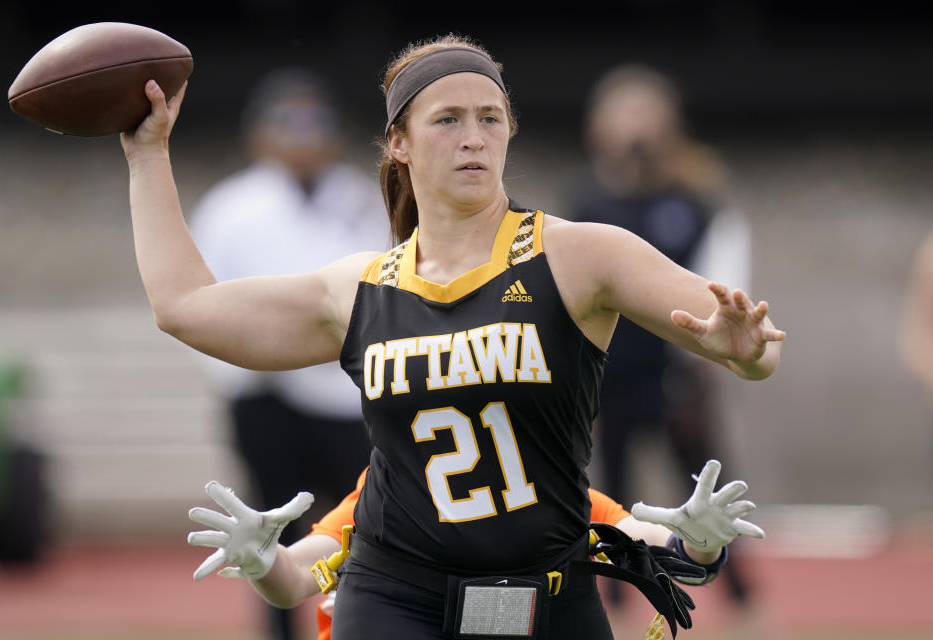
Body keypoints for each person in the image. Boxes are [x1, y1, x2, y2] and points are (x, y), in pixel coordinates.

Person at [119, 34, 783, 639]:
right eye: (448, 119)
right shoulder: (359, 289)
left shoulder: (581, 256)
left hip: (549, 594)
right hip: (393, 596)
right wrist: (148, 154)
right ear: (399, 142)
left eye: (489, 118)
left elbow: (755, 347)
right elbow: (184, 307)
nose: (473, 137)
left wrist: (749, 351)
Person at [185, 68, 388, 640]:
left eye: (313, 122)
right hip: (265, 395)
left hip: (348, 396)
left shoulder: (361, 197)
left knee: (365, 524)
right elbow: (207, 305)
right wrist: (245, 372)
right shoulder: (230, 208)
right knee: (269, 530)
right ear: (259, 134)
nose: (302, 136)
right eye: (287, 122)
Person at [567, 63, 757, 608]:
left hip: (675, 379)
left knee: (710, 491)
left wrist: (701, 368)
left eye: (646, 113)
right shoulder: (586, 206)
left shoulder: (694, 204)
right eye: (623, 114)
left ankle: (742, 599)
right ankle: (613, 607)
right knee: (611, 498)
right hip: (609, 379)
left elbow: (726, 285)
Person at [186, 462, 752, 640]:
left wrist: (698, 545)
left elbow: (656, 546)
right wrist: (266, 562)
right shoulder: (390, 487)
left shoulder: (551, 490)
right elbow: (297, 578)